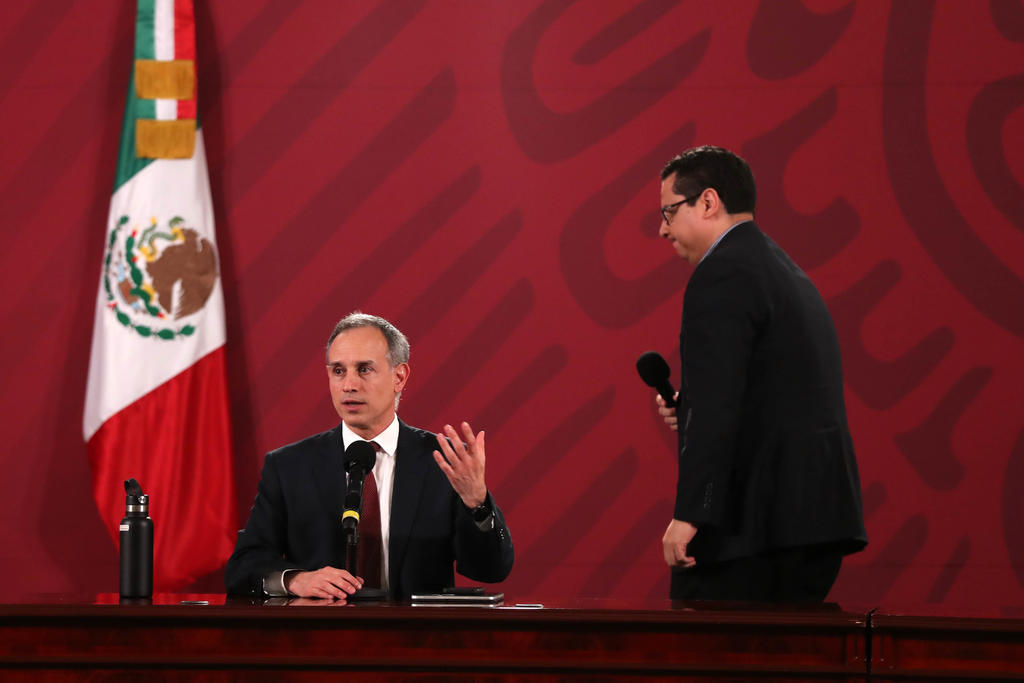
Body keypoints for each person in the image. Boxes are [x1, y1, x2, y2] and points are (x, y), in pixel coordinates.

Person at [653, 145, 866, 601]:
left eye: (669, 211)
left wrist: (691, 514)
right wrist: (688, 408)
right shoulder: (781, 268)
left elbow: (716, 406)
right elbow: (776, 392)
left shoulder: (721, 273)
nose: (663, 229)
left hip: (753, 533)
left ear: (708, 202)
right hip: (811, 526)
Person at [225, 313, 514, 599]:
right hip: (321, 627)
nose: (349, 385)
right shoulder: (289, 467)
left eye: (364, 369)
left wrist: (477, 504)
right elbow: (243, 566)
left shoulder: (445, 462)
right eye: (338, 371)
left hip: (417, 628)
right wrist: (295, 580)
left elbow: (491, 569)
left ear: (399, 377)